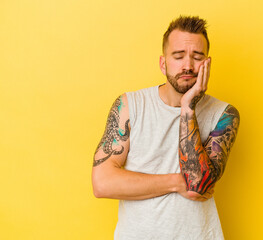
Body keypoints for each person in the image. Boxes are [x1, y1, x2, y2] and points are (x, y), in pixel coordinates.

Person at [92, 15, 240, 240]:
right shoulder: (130, 106)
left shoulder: (224, 115)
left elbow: (197, 184)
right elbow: (102, 183)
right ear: (163, 63)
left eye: (197, 57)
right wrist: (175, 182)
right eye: (178, 56)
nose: (188, 66)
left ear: (207, 63)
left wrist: (188, 106)